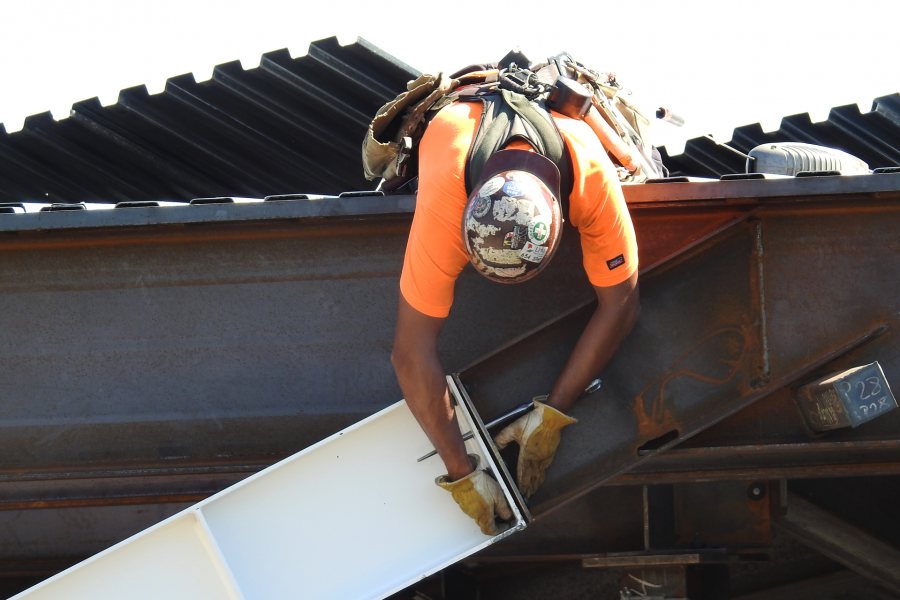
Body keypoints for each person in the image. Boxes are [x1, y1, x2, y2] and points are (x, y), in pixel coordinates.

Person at [389, 57, 641, 536]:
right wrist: (461, 472)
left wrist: (550, 418)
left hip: (553, 125)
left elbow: (622, 303)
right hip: (460, 124)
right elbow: (409, 353)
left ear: (563, 221)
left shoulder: (588, 173)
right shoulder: (445, 203)